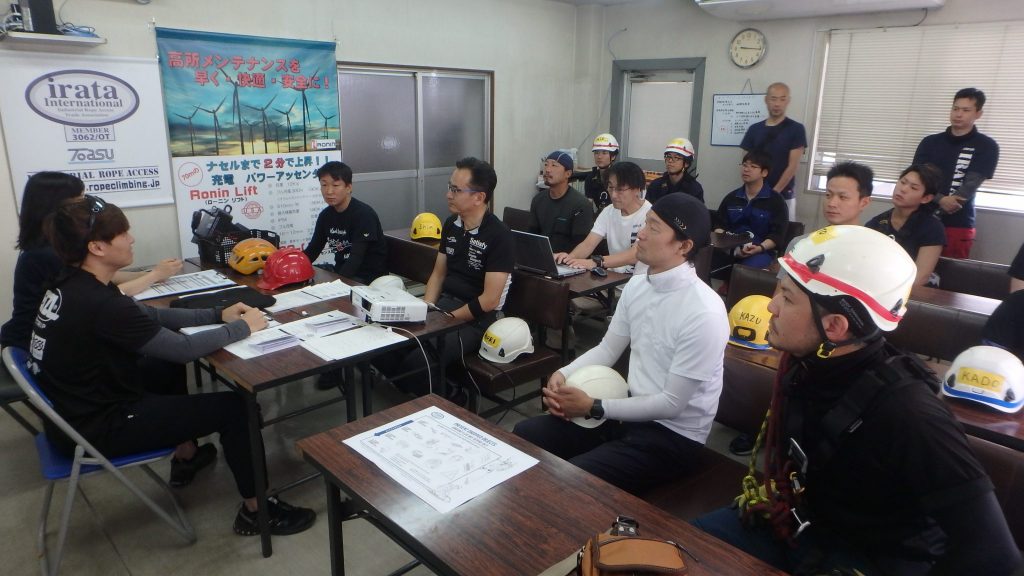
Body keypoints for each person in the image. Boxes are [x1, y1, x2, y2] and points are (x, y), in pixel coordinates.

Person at [694, 225, 1020, 576]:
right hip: (800, 527)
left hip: (867, 559)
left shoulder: (911, 414)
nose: (771, 306)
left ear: (835, 326)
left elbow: (996, 558)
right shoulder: (804, 366)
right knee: (682, 551)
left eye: (787, 298)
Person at [27, 195, 316, 536]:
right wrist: (243, 327)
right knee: (237, 408)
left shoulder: (71, 282)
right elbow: (182, 349)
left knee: (161, 367)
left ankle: (186, 455)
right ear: (97, 247)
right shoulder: (100, 304)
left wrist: (217, 315)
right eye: (122, 233)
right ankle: (258, 511)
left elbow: (150, 316)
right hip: (98, 427)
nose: (131, 239)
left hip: (71, 415)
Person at [513, 194, 730, 494]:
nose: (641, 234)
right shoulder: (638, 286)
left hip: (673, 436)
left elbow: (672, 404)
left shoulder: (705, 312)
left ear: (683, 246)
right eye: (645, 224)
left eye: (654, 228)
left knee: (572, 480)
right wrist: (563, 373)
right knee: (525, 434)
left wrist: (594, 406)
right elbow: (607, 349)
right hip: (627, 410)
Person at [378, 157, 514, 404]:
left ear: (479, 197)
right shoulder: (452, 224)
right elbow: (438, 274)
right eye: (450, 187)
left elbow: (490, 300)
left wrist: (446, 319)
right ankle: (419, 387)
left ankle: (453, 396)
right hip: (444, 306)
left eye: (456, 190)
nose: (448, 195)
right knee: (384, 344)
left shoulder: (499, 235)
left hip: (476, 320)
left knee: (417, 363)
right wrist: (427, 308)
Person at [1, 172, 181, 351]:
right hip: (37, 342)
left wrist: (147, 274)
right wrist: (154, 275)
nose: (86, 205)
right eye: (80, 200)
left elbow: (99, 278)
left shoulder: (49, 246)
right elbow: (98, 297)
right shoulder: (47, 253)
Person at [913, 87, 999, 259]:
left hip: (958, 222)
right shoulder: (930, 142)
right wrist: (940, 199)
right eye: (955, 108)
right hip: (920, 216)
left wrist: (947, 202)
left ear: (978, 114)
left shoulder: (987, 146)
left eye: (966, 110)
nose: (958, 114)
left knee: (950, 271)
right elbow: (916, 177)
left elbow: (971, 184)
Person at [555, 161, 652, 275]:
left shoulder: (650, 215)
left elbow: (634, 254)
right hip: (613, 278)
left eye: (620, 189)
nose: (613, 195)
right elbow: (588, 244)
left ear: (637, 189)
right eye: (611, 188)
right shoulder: (608, 211)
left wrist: (597, 262)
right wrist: (569, 259)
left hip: (639, 281)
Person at [302, 161, 387, 283]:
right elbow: (313, 250)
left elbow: (356, 258)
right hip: (343, 274)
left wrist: (336, 284)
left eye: (335, 185)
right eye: (324, 185)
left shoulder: (364, 215)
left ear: (348, 188)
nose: (329, 191)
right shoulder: (325, 216)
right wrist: (294, 267)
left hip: (368, 279)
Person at [866, 164, 946, 287]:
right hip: (877, 285)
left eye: (913, 188)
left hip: (915, 291)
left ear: (926, 198)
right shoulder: (876, 223)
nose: (903, 189)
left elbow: (921, 276)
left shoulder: (933, 228)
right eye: (903, 182)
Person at [711, 150, 788, 273]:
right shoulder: (731, 198)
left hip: (761, 251)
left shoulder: (776, 201)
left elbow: (777, 236)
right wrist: (730, 245)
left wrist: (759, 248)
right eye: (744, 165)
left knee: (744, 271)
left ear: (764, 172)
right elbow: (718, 226)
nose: (746, 169)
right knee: (701, 261)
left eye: (753, 166)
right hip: (730, 249)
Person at [740, 82, 807, 220]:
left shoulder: (796, 129)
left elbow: (793, 166)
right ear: (766, 100)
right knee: (751, 229)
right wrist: (756, 192)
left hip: (783, 195)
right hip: (754, 195)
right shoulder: (754, 129)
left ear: (788, 101)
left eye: (782, 99)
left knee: (784, 231)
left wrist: (773, 193)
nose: (777, 104)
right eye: (773, 99)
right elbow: (747, 164)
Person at [529, 150, 594, 253]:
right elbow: (532, 236)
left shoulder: (581, 205)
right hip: (542, 256)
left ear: (568, 173)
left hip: (569, 259)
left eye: (554, 165)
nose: (548, 170)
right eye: (546, 165)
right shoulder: (538, 200)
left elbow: (581, 245)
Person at [645, 138, 703, 205]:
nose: (670, 160)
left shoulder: (694, 189)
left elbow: (698, 211)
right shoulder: (656, 185)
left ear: (686, 163)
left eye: (676, 158)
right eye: (668, 156)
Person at [573, 133, 619, 214]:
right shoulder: (591, 178)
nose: (599, 157)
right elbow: (589, 204)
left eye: (604, 153)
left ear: (613, 156)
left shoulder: (619, 177)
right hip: (601, 216)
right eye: (596, 153)